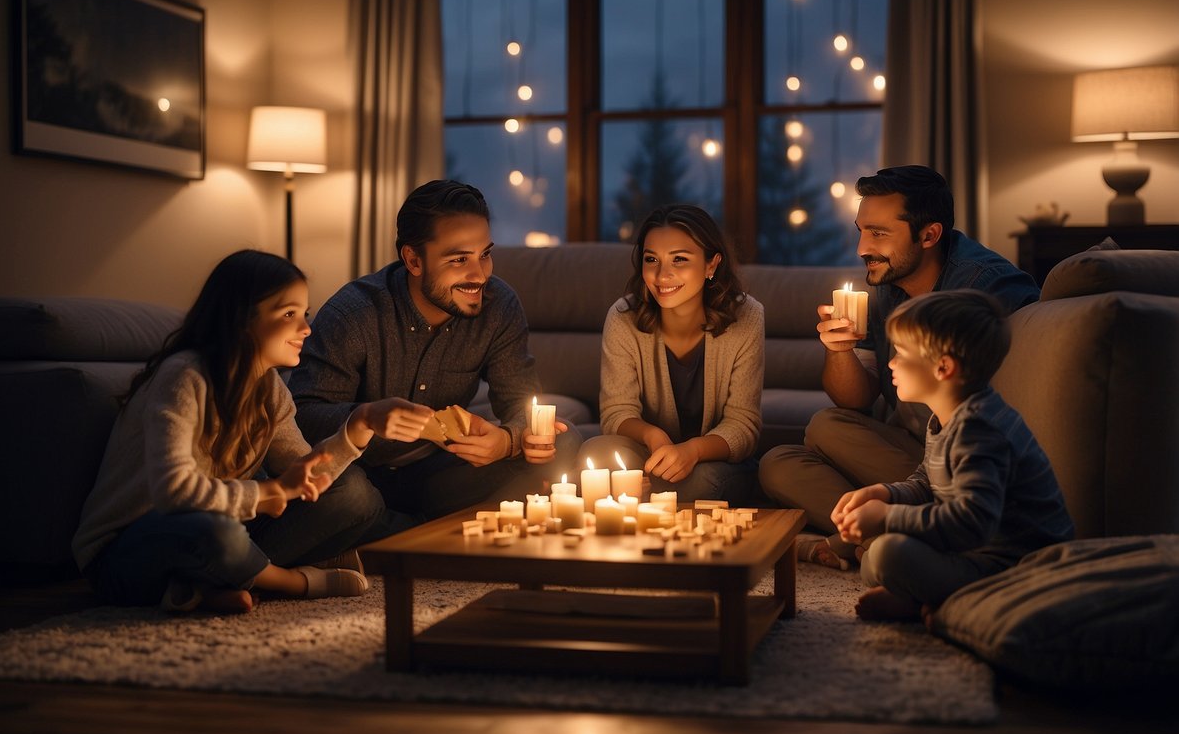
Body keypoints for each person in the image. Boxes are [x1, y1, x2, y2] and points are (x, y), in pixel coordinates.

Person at [72, 250, 387, 614]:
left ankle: (200, 587)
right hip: (128, 549)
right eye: (288, 314)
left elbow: (304, 478)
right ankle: (290, 582)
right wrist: (269, 491)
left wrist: (360, 426)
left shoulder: (268, 387)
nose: (306, 329)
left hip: (222, 527)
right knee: (214, 533)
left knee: (357, 494)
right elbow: (173, 493)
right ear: (242, 319)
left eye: (305, 314)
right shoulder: (185, 376)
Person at [759, 165, 1040, 570]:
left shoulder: (983, 286)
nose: (861, 248)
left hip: (960, 461)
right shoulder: (886, 286)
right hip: (908, 453)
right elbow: (855, 398)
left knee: (823, 428)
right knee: (780, 463)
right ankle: (886, 535)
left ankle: (881, 538)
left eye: (877, 233)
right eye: (860, 230)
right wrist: (839, 350)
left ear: (929, 235)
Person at [289, 179, 580, 526]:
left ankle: (394, 531)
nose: (480, 275)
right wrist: (366, 416)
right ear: (413, 260)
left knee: (564, 441)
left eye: (484, 255)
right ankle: (414, 529)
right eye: (459, 259)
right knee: (352, 496)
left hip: (439, 473)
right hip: (359, 471)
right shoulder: (353, 314)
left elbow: (522, 403)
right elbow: (303, 418)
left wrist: (507, 441)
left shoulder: (499, 305)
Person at [831, 289, 1073, 621]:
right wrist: (884, 494)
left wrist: (887, 517)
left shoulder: (979, 430)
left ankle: (938, 604)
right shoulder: (945, 416)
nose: (891, 363)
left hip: (1015, 568)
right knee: (874, 557)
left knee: (888, 554)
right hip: (972, 552)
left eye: (901, 353)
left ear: (943, 367)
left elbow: (972, 522)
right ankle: (925, 597)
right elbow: (926, 482)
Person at [579, 204, 764, 504]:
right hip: (649, 457)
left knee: (700, 484)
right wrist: (653, 436)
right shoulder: (623, 317)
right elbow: (616, 413)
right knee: (594, 454)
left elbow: (743, 426)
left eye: (679, 259)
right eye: (652, 259)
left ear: (711, 265)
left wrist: (692, 451)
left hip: (711, 463)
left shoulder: (747, 317)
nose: (662, 275)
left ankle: (647, 500)